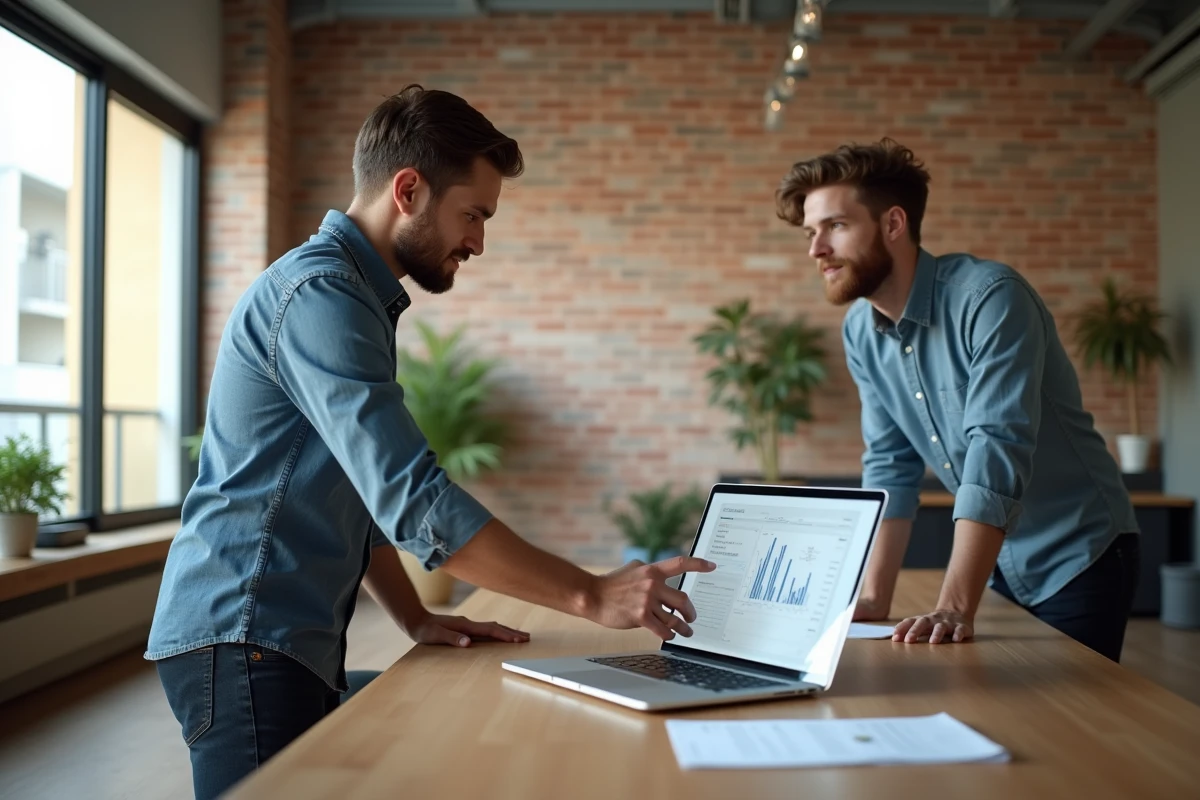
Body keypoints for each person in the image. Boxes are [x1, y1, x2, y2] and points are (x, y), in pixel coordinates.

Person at [146, 85, 714, 800]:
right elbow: (414, 498)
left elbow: (356, 488)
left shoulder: (352, 296)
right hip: (245, 634)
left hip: (276, 637)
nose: (477, 240)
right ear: (408, 190)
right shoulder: (321, 296)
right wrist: (590, 593)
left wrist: (413, 616)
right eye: (472, 214)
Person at [774, 138, 1140, 661]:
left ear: (893, 224)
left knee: (1072, 725)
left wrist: (953, 604)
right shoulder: (860, 330)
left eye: (835, 225)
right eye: (811, 233)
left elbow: (997, 445)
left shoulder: (990, 298)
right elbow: (889, 464)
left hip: (1079, 553)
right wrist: (876, 598)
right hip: (998, 561)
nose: (816, 249)